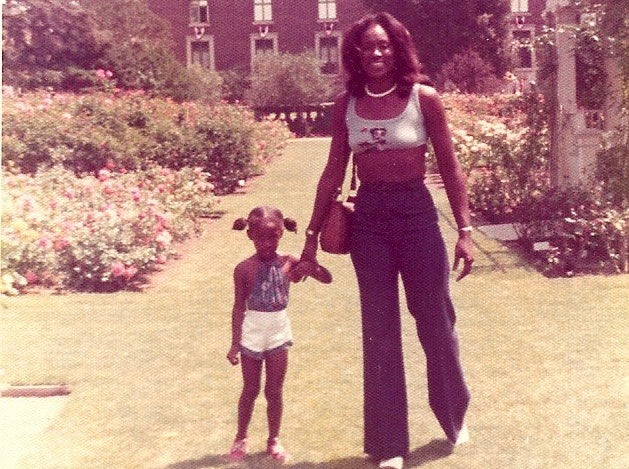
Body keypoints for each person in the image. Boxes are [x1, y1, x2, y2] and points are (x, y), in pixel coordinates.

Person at [297, 12, 474, 469]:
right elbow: (333, 171)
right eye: (366, 47)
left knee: (434, 318)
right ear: (355, 54)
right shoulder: (345, 106)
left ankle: (453, 414)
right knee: (379, 329)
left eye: (384, 45)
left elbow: (451, 168)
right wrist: (311, 236)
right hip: (370, 220)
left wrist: (465, 231)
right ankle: (388, 444)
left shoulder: (424, 99)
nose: (376, 53)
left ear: (398, 49)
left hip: (417, 215)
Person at [226, 205, 332, 464]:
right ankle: (240, 438)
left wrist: (312, 268)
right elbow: (239, 306)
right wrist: (234, 344)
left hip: (278, 333)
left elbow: (327, 278)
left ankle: (273, 439)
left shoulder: (289, 261)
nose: (266, 243)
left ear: (282, 233)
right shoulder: (243, 269)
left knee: (274, 390)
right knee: (250, 389)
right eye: (260, 237)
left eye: (273, 236)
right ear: (250, 235)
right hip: (252, 333)